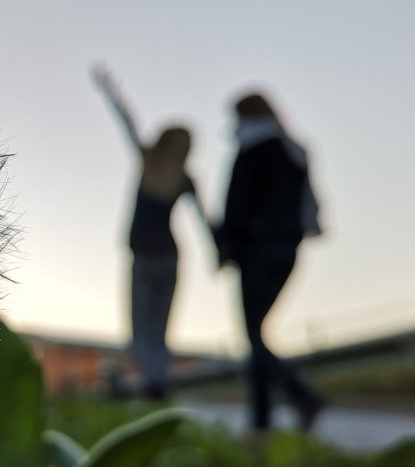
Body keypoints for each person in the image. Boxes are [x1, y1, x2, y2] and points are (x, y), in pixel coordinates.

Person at [91, 64, 208, 399]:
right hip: (169, 256)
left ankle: (154, 387)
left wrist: (111, 91)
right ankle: (157, 386)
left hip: (143, 255)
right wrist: (219, 253)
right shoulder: (185, 179)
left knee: (141, 329)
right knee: (158, 329)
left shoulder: (149, 160)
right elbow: (205, 222)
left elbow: (128, 123)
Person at [213, 89, 325, 432]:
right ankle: (265, 416)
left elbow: (236, 204)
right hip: (288, 250)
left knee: (253, 334)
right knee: (257, 333)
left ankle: (293, 400)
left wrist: (225, 245)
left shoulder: (252, 149)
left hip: (255, 250)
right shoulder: (293, 151)